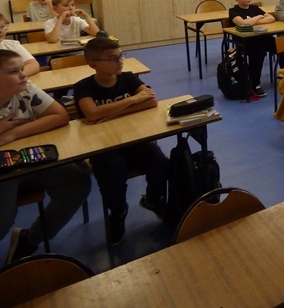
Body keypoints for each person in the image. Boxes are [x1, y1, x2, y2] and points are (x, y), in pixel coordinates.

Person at [73, 38, 168, 245]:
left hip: (135, 139)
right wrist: (132, 100)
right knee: (111, 172)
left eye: (120, 56)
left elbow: (151, 101)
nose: (119, 62)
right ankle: (118, 212)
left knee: (160, 162)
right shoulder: (83, 87)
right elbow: (92, 113)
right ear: (93, 64)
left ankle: (152, 200)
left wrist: (111, 113)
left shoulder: (128, 78)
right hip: (103, 146)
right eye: (112, 59)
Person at [0, 50, 92, 264]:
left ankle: (29, 239)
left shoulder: (25, 89)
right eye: (14, 71)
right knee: (3, 219)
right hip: (3, 172)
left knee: (78, 182)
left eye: (22, 69)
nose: (23, 75)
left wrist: (13, 133)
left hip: (29, 159)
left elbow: (60, 116)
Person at [229, 0, 275, 98]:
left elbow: (271, 18)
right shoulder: (233, 11)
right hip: (244, 41)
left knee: (283, 46)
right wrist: (259, 16)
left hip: (261, 37)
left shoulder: (254, 7)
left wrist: (253, 22)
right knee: (258, 53)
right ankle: (255, 84)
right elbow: (243, 24)